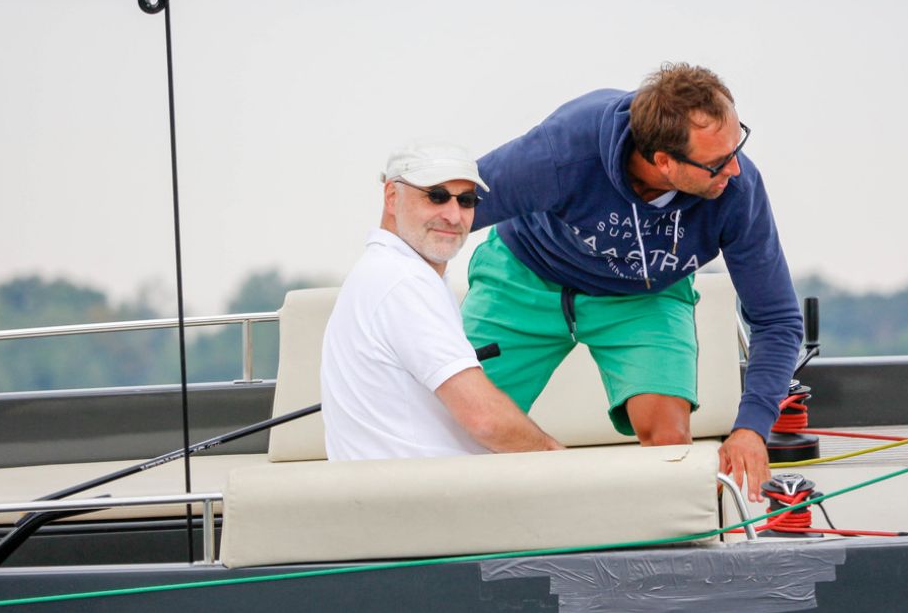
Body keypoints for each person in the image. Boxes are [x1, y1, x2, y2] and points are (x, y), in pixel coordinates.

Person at [462, 63, 803, 500]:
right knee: (451, 427)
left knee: (668, 445)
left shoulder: (737, 191)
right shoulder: (562, 150)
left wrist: (751, 428)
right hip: (525, 278)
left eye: (737, 146)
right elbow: (446, 209)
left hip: (645, 294)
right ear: (663, 161)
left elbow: (777, 319)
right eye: (717, 163)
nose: (735, 170)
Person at [321, 145, 565, 461]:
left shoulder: (384, 270)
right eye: (436, 196)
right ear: (392, 197)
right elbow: (485, 420)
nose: (453, 216)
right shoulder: (404, 281)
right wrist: (556, 457)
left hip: (403, 480)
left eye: (466, 201)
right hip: (421, 487)